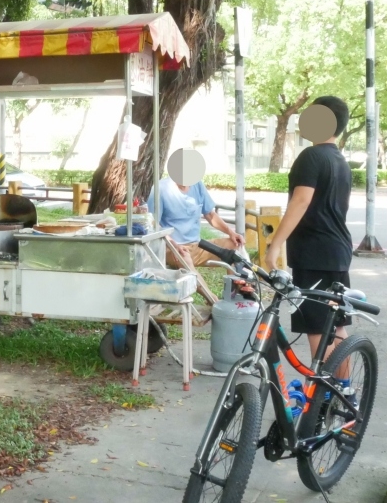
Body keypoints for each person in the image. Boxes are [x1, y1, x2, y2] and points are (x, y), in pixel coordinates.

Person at [264, 95, 353, 363]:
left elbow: (301, 201)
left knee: (318, 328)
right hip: (336, 252)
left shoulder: (311, 156)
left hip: (315, 253)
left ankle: (320, 396)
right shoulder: (340, 160)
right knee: (336, 327)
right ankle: (342, 392)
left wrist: (275, 244)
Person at [147, 153, 244, 269]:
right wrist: (173, 244)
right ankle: (205, 288)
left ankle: (234, 286)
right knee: (185, 259)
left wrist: (231, 233)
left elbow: (209, 214)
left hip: (198, 245)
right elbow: (153, 224)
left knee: (235, 247)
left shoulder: (197, 184)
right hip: (172, 248)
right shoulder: (160, 188)